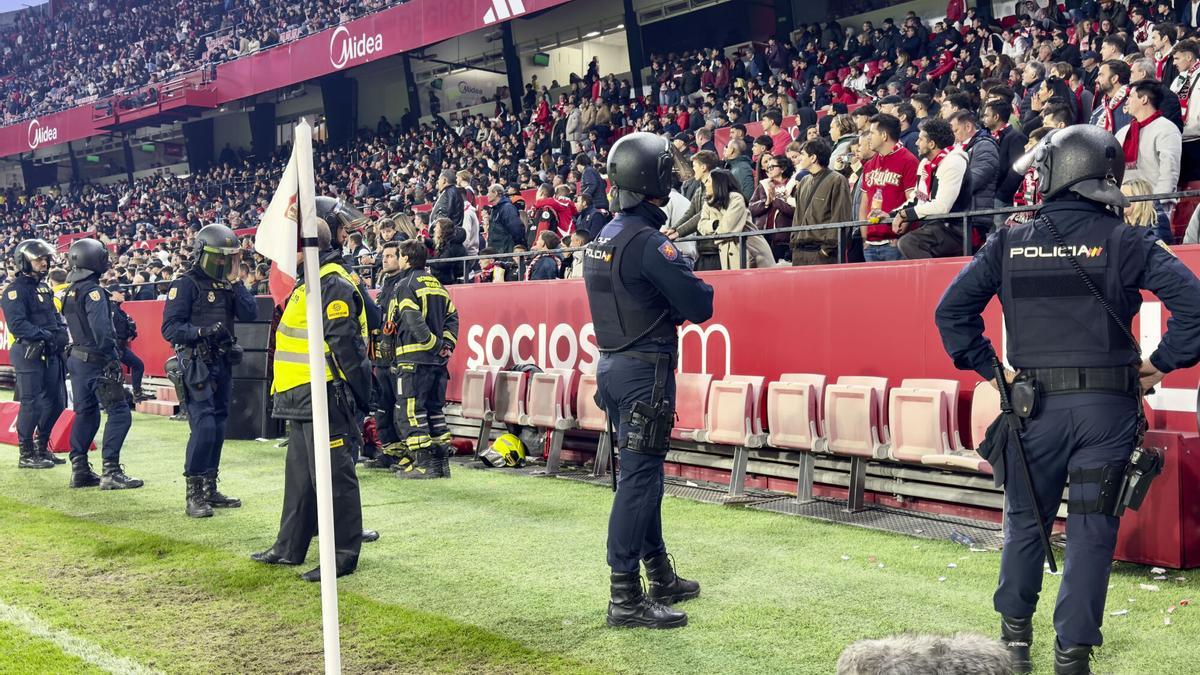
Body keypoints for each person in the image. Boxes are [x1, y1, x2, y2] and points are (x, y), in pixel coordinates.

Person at [934, 124, 1200, 675]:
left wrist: (991, 372)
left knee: (1026, 524)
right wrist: (1157, 368)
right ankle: (1072, 657)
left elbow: (951, 312)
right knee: (1091, 534)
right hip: (1107, 411)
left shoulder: (1011, 239)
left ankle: (1013, 645)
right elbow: (1194, 307)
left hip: (1032, 410)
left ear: (1053, 172)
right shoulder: (1128, 241)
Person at [582, 132, 714, 630]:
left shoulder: (602, 239)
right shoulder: (648, 242)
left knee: (644, 479)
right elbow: (700, 305)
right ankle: (625, 598)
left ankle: (658, 574)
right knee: (639, 483)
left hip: (613, 367)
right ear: (652, 179)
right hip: (645, 373)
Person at [252, 219, 372, 582]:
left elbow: (347, 347)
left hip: (326, 394)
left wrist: (361, 397)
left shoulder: (331, 283)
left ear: (305, 248)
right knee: (300, 477)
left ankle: (342, 554)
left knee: (334, 478)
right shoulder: (313, 283)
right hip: (302, 395)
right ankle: (289, 547)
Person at [162, 223, 257, 518]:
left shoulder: (229, 285)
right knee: (203, 426)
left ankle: (210, 488)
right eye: (220, 257)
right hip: (196, 364)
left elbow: (250, 314)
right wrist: (201, 331)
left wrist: (237, 282)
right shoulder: (186, 284)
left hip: (222, 362)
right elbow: (170, 328)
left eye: (229, 257)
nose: (224, 263)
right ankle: (194, 493)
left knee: (218, 426)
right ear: (203, 254)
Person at [61, 239, 142, 490]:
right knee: (120, 413)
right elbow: (102, 331)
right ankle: (111, 471)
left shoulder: (69, 291)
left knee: (86, 413)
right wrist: (112, 359)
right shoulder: (94, 292)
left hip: (77, 359)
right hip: (97, 361)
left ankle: (80, 469)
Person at [383, 240, 459, 480]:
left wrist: (432, 345)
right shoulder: (437, 284)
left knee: (411, 412)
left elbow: (411, 318)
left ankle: (424, 465)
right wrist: (446, 346)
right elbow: (453, 317)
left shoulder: (405, 284)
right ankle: (440, 465)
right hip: (437, 363)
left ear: (406, 258)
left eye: (400, 255)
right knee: (435, 411)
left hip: (413, 360)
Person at [1, 239, 68, 469]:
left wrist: (60, 335)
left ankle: (41, 447)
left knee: (57, 402)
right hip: (28, 351)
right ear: (24, 261)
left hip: (50, 350)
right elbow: (18, 325)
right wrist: (47, 335)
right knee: (31, 403)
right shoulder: (13, 291)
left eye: (45, 258)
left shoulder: (44, 287)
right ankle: (26, 453)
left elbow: (54, 318)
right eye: (39, 258)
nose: (44, 262)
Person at [1115, 80, 1182, 243]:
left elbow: (1169, 171)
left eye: (1130, 96)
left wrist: (1160, 205)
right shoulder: (1123, 132)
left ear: (1144, 99)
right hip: (1126, 209)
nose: (1127, 101)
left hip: (1153, 210)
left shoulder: (1166, 128)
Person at [895, 118, 971, 259]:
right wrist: (892, 214)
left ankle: (932, 281)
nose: (916, 143)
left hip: (957, 229)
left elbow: (942, 206)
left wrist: (905, 214)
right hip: (935, 226)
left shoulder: (953, 161)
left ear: (931, 144)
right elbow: (918, 199)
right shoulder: (925, 163)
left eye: (920, 139)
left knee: (909, 242)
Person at [860, 114, 920, 262]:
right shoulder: (869, 164)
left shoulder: (908, 160)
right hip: (871, 244)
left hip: (894, 243)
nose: (869, 137)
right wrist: (864, 238)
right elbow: (864, 204)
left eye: (872, 133)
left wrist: (899, 234)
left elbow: (913, 201)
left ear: (884, 135)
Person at [365, 241, 404, 470]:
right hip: (380, 356)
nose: (386, 259)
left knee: (397, 408)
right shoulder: (385, 284)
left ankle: (402, 455)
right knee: (382, 408)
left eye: (391, 256)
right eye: (385, 255)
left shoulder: (403, 285)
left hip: (396, 358)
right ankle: (387, 452)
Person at [790, 138, 852, 265]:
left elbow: (840, 216)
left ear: (813, 158)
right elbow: (798, 215)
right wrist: (794, 241)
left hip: (821, 253)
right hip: (800, 250)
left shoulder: (837, 180)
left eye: (802, 154)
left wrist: (827, 249)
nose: (799, 158)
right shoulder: (803, 182)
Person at [109, 287, 149, 401]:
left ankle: (137, 393)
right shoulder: (109, 308)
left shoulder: (118, 309)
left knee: (138, 365)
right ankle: (112, 399)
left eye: (123, 292)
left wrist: (130, 332)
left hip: (121, 346)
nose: (123, 294)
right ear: (112, 294)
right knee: (114, 373)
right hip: (113, 346)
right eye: (120, 292)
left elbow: (125, 327)